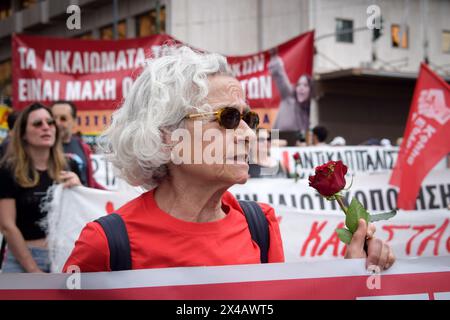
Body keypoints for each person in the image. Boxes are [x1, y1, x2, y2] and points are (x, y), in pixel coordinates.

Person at [63, 46, 395, 273]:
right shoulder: (106, 242)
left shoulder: (260, 225)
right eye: (227, 118)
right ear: (166, 135)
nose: (250, 135)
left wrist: (352, 276)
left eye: (249, 120)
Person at [0, 103, 81, 273]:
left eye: (50, 122)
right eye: (38, 124)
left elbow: (80, 216)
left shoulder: (70, 166)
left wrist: (78, 189)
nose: (46, 127)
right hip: (21, 260)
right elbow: (7, 225)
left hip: (63, 257)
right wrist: (33, 270)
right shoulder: (8, 170)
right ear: (23, 134)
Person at [50, 100, 105, 189]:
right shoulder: (43, 148)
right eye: (53, 119)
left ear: (74, 121)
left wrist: (112, 194)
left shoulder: (83, 147)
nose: (57, 123)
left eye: (63, 119)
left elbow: (90, 181)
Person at [268, 50, 313, 134]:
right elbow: (280, 76)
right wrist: (274, 57)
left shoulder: (308, 110)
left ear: (310, 90)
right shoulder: (288, 97)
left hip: (295, 145)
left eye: (305, 85)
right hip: (277, 140)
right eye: (299, 84)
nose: (301, 88)